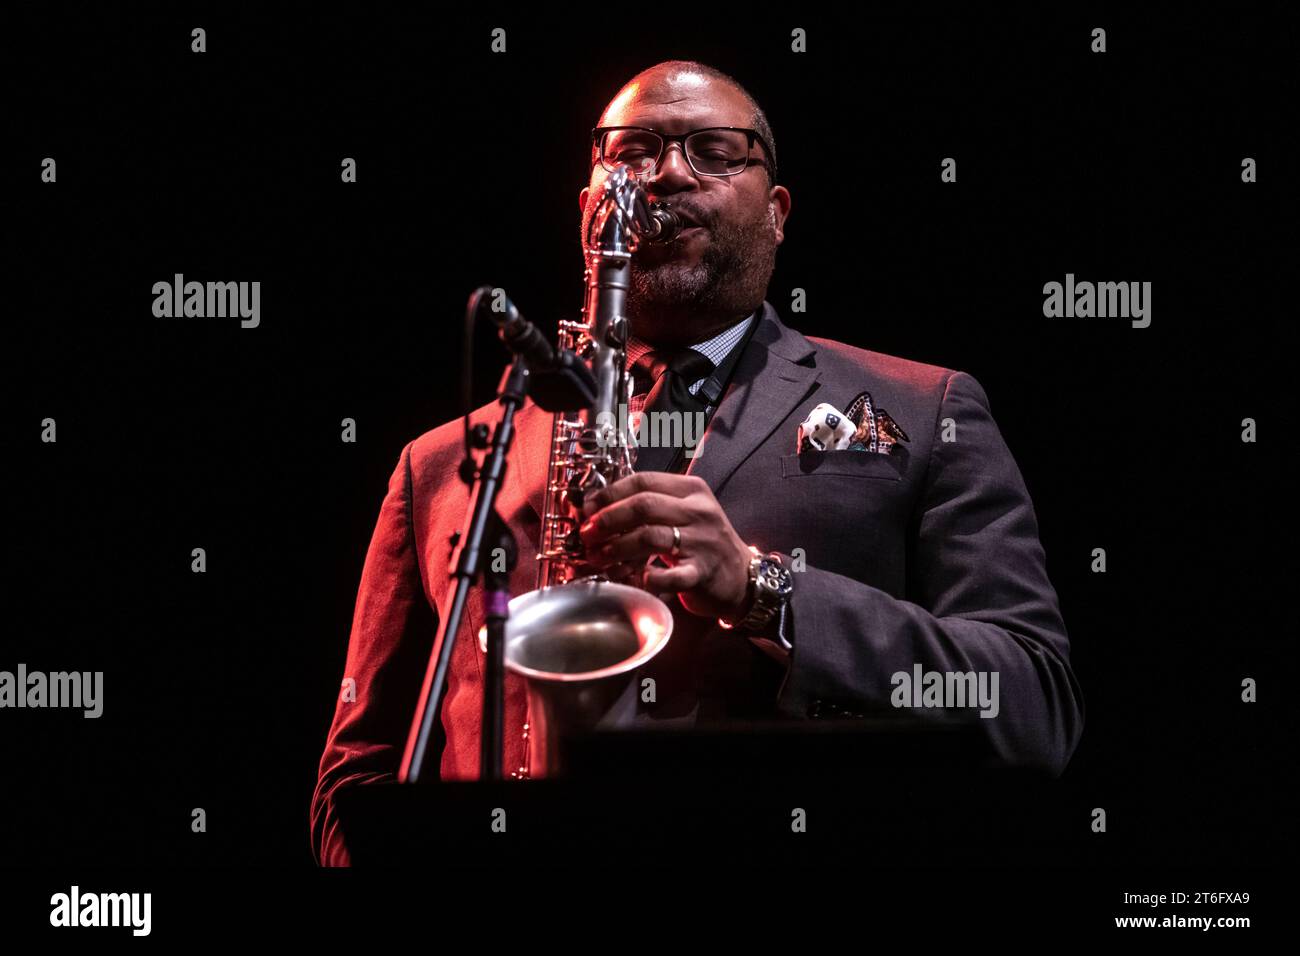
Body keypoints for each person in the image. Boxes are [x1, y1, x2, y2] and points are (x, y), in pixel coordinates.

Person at [310, 60, 1084, 866]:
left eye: (716, 150)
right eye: (635, 149)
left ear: (778, 212)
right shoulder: (436, 465)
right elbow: (357, 778)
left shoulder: (928, 408)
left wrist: (764, 591)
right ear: (590, 212)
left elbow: (1034, 708)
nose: (672, 171)